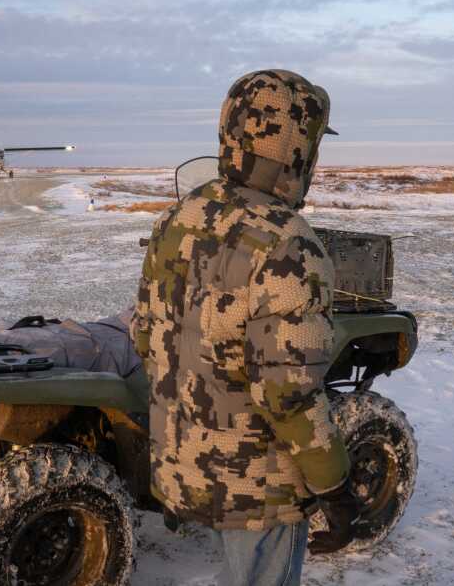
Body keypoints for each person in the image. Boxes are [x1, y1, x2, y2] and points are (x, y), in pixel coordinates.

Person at [131, 69, 360, 585]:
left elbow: (146, 336)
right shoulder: (288, 244)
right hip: (259, 491)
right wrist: (335, 487)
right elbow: (288, 394)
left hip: (186, 466)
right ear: (297, 151)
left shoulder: (179, 217)